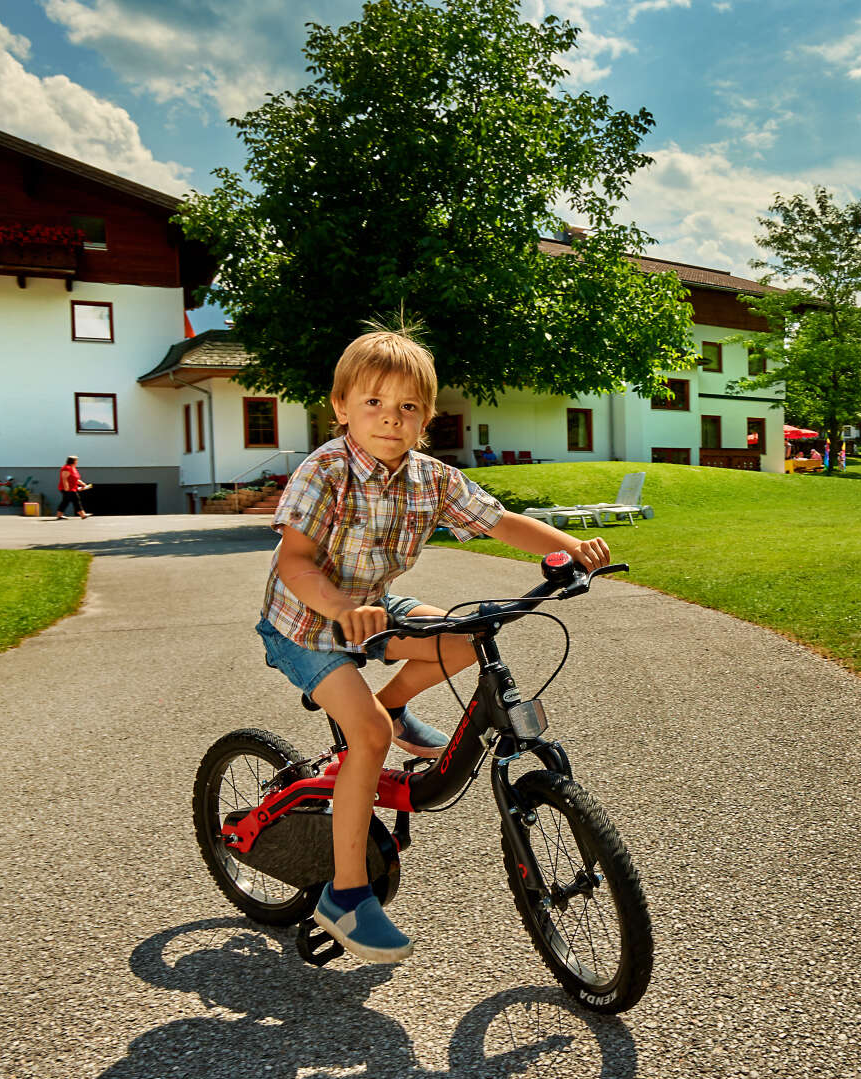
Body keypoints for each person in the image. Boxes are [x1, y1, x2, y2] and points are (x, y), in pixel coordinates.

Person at [256, 327, 610, 964]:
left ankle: (392, 710)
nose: (390, 419)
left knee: (464, 638)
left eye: (408, 407)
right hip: (307, 624)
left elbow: (499, 521)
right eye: (373, 404)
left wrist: (568, 547)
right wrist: (339, 607)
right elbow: (296, 561)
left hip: (373, 606)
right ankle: (345, 894)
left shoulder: (431, 477)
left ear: (426, 416)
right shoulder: (326, 471)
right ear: (340, 407)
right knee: (364, 737)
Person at [54, 455, 91, 519]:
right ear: (73, 461)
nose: (77, 462)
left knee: (65, 501)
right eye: (76, 460)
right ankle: (82, 514)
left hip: (73, 488)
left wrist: (82, 484)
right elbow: (64, 478)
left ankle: (59, 515)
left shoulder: (73, 468)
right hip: (67, 488)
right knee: (76, 500)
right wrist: (66, 487)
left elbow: (75, 478)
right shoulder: (67, 468)